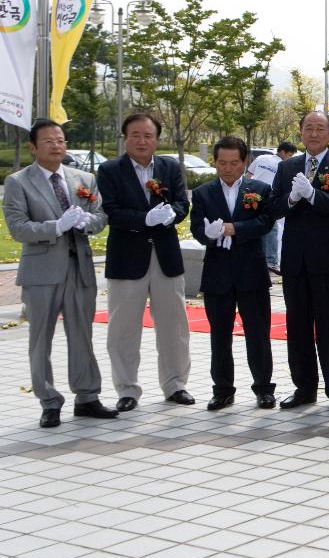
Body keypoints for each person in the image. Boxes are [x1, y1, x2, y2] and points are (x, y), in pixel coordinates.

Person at [2, 119, 116, 428]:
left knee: (82, 334)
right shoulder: (18, 182)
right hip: (41, 271)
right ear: (33, 147)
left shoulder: (84, 178)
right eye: (49, 141)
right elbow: (18, 228)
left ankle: (87, 397)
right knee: (41, 339)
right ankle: (49, 401)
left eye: (61, 140)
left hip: (79, 268)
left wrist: (85, 223)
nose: (57, 145)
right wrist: (56, 227)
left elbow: (101, 215)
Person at [98, 112, 193, 412]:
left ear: (157, 139)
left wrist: (173, 214)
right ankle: (127, 389)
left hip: (165, 257)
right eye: (135, 135)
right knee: (123, 328)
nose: (142, 140)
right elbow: (110, 210)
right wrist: (144, 219)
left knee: (174, 325)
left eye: (148, 135)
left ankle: (176, 384)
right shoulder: (110, 170)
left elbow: (182, 202)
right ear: (125, 137)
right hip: (127, 259)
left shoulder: (168, 166)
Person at [271, 112, 329, 411]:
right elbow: (274, 208)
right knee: (297, 327)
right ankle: (303, 388)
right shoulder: (287, 168)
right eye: (308, 128)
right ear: (300, 132)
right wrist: (293, 199)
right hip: (295, 261)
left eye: (320, 128)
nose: (313, 133)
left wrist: (313, 196)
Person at [190, 136, 277, 410]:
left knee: (258, 333)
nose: (228, 168)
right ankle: (222, 389)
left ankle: (264, 388)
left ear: (245, 162)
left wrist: (234, 228)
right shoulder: (203, 193)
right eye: (222, 163)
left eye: (234, 163)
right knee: (219, 336)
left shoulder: (259, 189)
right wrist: (208, 234)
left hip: (250, 271)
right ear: (214, 162)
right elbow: (196, 228)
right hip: (217, 274)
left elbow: (266, 222)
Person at [245, 140, 295, 274]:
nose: (290, 158)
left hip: (250, 195)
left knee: (252, 226)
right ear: (283, 152)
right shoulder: (283, 164)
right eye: (290, 155)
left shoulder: (261, 157)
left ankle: (252, 259)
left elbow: (248, 175)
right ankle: (271, 261)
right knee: (271, 228)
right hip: (267, 197)